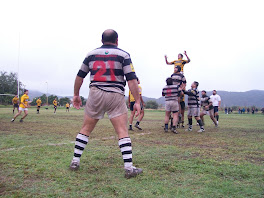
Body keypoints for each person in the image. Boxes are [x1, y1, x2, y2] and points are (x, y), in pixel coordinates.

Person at [69, 29, 142, 179]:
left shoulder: (91, 54)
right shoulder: (123, 55)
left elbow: (79, 76)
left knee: (86, 128)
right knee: (122, 131)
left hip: (95, 93)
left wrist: (76, 95)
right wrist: (138, 101)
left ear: (102, 40)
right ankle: (128, 168)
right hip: (115, 94)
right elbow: (131, 80)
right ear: (117, 40)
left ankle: (75, 161)